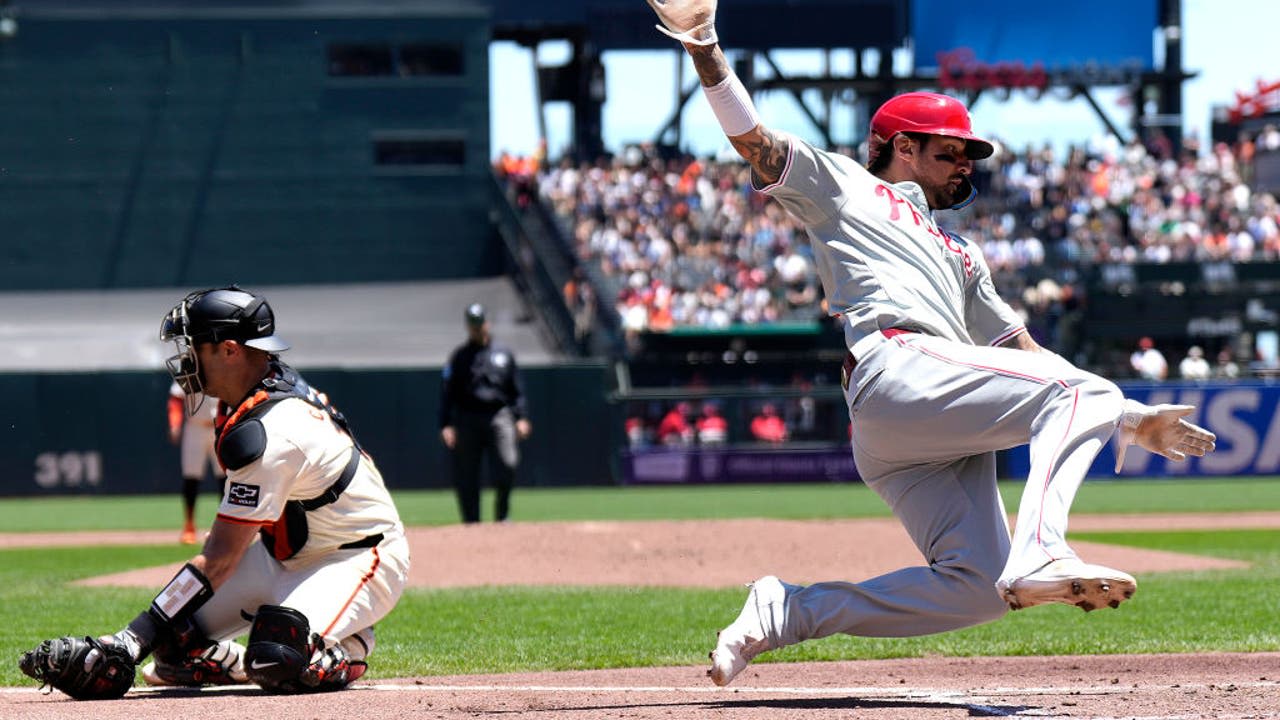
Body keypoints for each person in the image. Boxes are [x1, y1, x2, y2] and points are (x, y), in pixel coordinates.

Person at [645, 0, 1217, 687]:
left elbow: (1027, 356)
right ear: (900, 148)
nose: (961, 167)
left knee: (977, 587)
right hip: (896, 366)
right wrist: (705, 49)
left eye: (966, 155)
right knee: (1079, 393)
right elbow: (755, 141)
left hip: (921, 430)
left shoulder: (960, 252)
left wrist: (1123, 417)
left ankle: (787, 610)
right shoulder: (846, 186)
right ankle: (1042, 549)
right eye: (947, 151)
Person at [18, 286, 410, 699]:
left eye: (194, 346)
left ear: (228, 350)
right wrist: (151, 637)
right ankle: (256, 652)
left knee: (277, 658)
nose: (186, 357)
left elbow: (220, 558)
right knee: (172, 644)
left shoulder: (274, 431)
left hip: (357, 557)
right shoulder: (249, 392)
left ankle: (349, 644)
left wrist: (129, 640)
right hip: (280, 554)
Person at [439, 303, 532, 524]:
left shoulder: (503, 354)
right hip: (467, 417)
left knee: (508, 462)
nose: (477, 328)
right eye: (472, 324)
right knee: (467, 474)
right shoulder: (459, 357)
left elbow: (516, 390)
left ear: (487, 323)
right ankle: (472, 523)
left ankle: (502, 514)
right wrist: (446, 424)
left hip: (499, 415)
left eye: (480, 323)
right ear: (468, 327)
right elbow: (447, 394)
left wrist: (522, 417)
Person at [167, 381, 225, 544]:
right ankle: (189, 526)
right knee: (191, 478)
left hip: (219, 426)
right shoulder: (189, 364)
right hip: (195, 427)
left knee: (225, 480)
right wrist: (175, 423)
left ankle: (224, 527)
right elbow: (176, 398)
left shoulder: (223, 362)